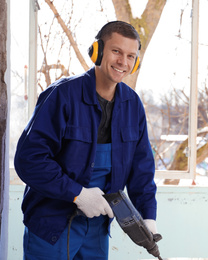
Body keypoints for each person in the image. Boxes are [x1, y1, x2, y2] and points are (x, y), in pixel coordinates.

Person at [14, 21, 158, 260]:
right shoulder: (62, 96)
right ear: (97, 51)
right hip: (52, 224)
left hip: (97, 226)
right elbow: (29, 160)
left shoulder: (133, 105)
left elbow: (141, 169)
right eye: (116, 51)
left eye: (131, 56)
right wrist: (78, 194)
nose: (123, 61)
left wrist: (148, 218)